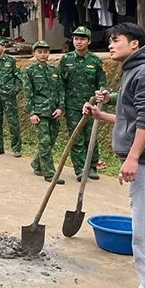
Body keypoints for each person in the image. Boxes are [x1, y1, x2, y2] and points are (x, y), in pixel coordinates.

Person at [86, 22, 145, 288]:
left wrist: (133, 157)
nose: (110, 45)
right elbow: (136, 118)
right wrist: (102, 117)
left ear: (135, 44)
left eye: (116, 40)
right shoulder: (140, 68)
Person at [58, 26, 107, 181]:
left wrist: (100, 100)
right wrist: (61, 105)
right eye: (76, 39)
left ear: (89, 41)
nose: (78, 42)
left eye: (82, 39)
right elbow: (60, 84)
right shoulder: (66, 60)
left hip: (91, 105)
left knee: (91, 136)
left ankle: (92, 167)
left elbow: (102, 84)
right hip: (72, 106)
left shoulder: (95, 61)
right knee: (76, 137)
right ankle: (80, 169)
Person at [23, 41, 65, 185]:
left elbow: (60, 90)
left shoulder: (54, 71)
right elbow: (28, 94)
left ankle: (37, 163)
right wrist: (32, 113)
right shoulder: (30, 71)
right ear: (34, 54)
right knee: (45, 142)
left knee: (51, 141)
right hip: (40, 113)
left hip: (54, 112)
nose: (43, 54)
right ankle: (50, 174)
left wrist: (60, 108)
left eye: (45, 52)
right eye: (40, 52)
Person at [0, 37, 23, 157]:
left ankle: (16, 148)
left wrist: (14, 91)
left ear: (3, 47)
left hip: (8, 97)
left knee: (13, 122)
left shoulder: (11, 60)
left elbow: (19, 78)